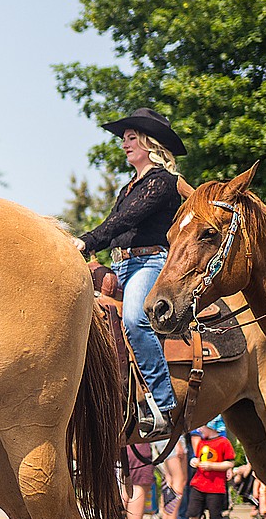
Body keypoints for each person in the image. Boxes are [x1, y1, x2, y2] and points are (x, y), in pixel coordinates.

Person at [74, 109, 187, 439]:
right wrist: (91, 249)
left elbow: (122, 223)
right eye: (124, 138)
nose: (125, 143)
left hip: (150, 264)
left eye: (131, 137)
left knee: (135, 320)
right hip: (121, 265)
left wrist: (85, 240)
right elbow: (113, 228)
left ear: (151, 143)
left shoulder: (162, 183)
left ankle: (164, 406)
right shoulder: (127, 188)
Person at [186, 416, 235, 519]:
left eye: (203, 427)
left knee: (215, 515)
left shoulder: (223, 442)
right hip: (198, 484)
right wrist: (194, 461)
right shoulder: (202, 442)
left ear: (212, 427)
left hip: (216, 486)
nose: (200, 429)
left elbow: (230, 462)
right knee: (194, 514)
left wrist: (213, 466)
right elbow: (198, 457)